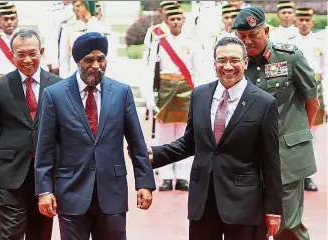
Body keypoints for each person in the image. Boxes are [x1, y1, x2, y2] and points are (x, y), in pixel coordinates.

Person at [139, 36, 282, 240]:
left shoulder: (264, 103)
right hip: (203, 202)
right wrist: (154, 154)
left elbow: (271, 161)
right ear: (214, 64)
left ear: (245, 62)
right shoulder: (200, 95)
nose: (228, 66)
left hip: (244, 205)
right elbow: (190, 143)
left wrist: (273, 209)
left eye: (234, 60)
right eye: (222, 60)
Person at [35, 32, 156, 240]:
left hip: (112, 192)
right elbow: (45, 147)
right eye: (89, 60)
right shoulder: (54, 95)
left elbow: (137, 142)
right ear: (77, 61)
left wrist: (144, 182)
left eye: (101, 59)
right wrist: (45, 190)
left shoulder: (121, 92)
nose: (96, 65)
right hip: (71, 191)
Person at [231, 6, 320, 240]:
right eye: (242, 37)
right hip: (251, 158)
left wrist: (295, 135)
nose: (248, 41)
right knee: (253, 224)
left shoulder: (290, 57)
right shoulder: (237, 63)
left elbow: (312, 103)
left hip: (287, 156)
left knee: (287, 224)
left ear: (267, 30)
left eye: (254, 35)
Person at [0, 27, 62, 240]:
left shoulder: (58, 86)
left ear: (41, 52)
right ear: (12, 55)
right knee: (11, 232)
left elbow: (65, 133)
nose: (27, 60)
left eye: (32, 53)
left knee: (41, 233)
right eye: (20, 54)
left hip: (46, 174)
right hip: (9, 172)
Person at [142, 4, 205, 191]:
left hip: (187, 91)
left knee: (185, 134)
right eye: (172, 19)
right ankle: (167, 176)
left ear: (184, 21)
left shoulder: (192, 42)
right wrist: (149, 96)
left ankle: (183, 176)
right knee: (164, 134)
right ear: (167, 21)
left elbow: (199, 70)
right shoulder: (158, 42)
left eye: (179, 19)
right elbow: (149, 69)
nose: (176, 22)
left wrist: (201, 94)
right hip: (165, 90)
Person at [289, 7, 325, 192]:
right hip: (294, 90)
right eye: (301, 20)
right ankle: (293, 173)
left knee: (313, 135)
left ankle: (308, 175)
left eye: (307, 20)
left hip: (315, 88)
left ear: (312, 22)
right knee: (292, 133)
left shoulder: (321, 42)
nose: (304, 23)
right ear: (296, 21)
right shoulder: (288, 42)